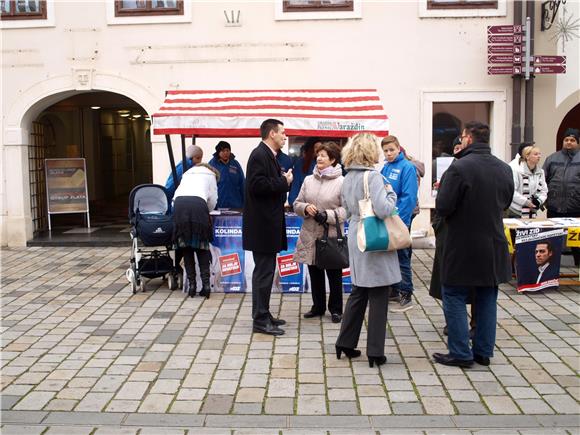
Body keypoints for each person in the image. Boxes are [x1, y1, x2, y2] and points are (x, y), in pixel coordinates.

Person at [432, 121, 514, 368]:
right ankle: (483, 351)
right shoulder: (504, 168)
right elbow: (506, 201)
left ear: (467, 138)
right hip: (493, 242)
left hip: (463, 244)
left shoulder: (459, 168)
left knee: (454, 294)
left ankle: (460, 352)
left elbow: (444, 206)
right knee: (487, 296)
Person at [335, 132, 400, 368]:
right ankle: (375, 351)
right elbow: (384, 209)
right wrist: (392, 194)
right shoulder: (374, 176)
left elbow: (346, 209)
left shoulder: (348, 176)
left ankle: (345, 342)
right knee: (379, 293)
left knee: (359, 290)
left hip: (355, 232)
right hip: (373, 236)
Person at [243, 119, 293, 336]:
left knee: (265, 272)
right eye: (282, 132)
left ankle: (263, 313)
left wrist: (282, 181)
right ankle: (260, 319)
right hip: (262, 227)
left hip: (266, 225)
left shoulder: (267, 155)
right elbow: (256, 186)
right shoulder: (259, 155)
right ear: (272, 133)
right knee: (263, 273)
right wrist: (284, 182)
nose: (285, 136)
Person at [293, 141, 346, 323]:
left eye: (323, 155)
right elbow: (296, 203)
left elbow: (347, 210)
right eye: (318, 154)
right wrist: (305, 208)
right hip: (309, 234)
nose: (319, 158)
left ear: (332, 159)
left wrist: (328, 215)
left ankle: (336, 309)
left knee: (334, 275)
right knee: (314, 273)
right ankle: (318, 307)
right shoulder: (308, 180)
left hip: (330, 235)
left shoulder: (341, 182)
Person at [380, 136, 419, 312]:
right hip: (387, 218)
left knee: (402, 256)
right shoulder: (386, 167)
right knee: (389, 255)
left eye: (391, 150)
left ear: (399, 148)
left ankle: (406, 292)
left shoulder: (407, 168)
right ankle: (394, 289)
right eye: (385, 151)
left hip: (400, 220)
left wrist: (400, 221)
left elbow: (409, 197)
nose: (388, 154)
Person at [173, 163, 219, 299]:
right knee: (201, 247)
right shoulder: (211, 176)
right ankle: (205, 286)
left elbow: (175, 196)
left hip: (179, 204)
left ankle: (192, 286)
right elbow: (213, 201)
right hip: (198, 205)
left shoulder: (187, 173)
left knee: (186, 248)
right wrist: (208, 211)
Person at [543, 128, 580, 265]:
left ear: (578, 142)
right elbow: (543, 181)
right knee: (552, 240)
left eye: (572, 140)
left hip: (576, 208)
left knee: (577, 243)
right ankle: (551, 269)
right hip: (555, 207)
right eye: (566, 140)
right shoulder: (552, 158)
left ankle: (578, 269)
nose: (569, 142)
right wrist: (545, 200)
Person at [508, 145, 548, 219]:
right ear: (527, 156)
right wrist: (526, 202)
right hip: (516, 211)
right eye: (535, 154)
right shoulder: (517, 171)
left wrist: (539, 201)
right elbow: (512, 191)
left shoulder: (540, 172)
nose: (539, 156)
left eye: (539, 154)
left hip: (532, 212)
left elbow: (544, 191)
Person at [209, 141, 245, 209]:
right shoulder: (212, 165)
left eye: (227, 150)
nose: (226, 153)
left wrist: (245, 202)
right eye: (223, 151)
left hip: (236, 205)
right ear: (218, 152)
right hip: (218, 206)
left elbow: (242, 183)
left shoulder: (235, 164)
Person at [288, 137, 321, 207]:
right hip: (303, 206)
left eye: (321, 147)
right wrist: (294, 203)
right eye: (316, 147)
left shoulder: (325, 164)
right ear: (310, 149)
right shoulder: (300, 164)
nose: (319, 150)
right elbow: (295, 187)